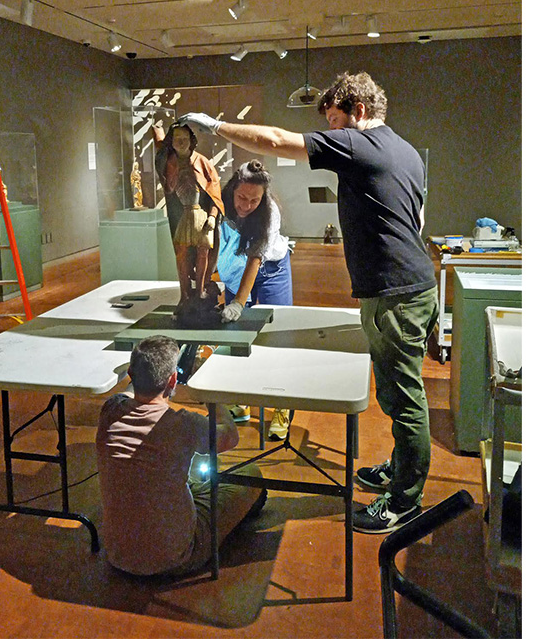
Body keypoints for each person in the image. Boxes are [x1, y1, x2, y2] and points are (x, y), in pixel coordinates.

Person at [176, 71, 438, 535]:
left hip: (395, 295)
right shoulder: (407, 151)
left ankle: (404, 499)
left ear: (357, 112)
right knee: (396, 391)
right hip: (409, 287)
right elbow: (417, 218)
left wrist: (215, 127)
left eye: (335, 121)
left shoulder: (361, 145)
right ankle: (400, 468)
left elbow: (277, 139)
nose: (332, 133)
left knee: (404, 397)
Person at [96, 335, 267, 576]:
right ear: (173, 380)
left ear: (132, 375)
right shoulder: (184, 424)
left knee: (188, 467)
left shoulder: (110, 410)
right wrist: (210, 393)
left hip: (118, 555)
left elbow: (131, 390)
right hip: (177, 558)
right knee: (250, 475)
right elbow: (230, 436)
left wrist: (144, 371)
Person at [215, 160, 295, 441]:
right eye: (242, 198)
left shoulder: (269, 212)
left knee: (277, 335)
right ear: (233, 189)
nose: (246, 205)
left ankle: (282, 407)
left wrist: (238, 301)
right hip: (238, 266)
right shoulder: (220, 201)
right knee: (236, 336)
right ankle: (242, 397)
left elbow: (256, 258)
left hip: (272, 268)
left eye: (254, 200)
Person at [153, 121, 225, 308]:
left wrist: (212, 215)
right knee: (182, 253)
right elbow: (160, 150)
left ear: (191, 141)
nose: (181, 142)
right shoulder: (169, 162)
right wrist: (157, 130)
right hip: (183, 215)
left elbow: (215, 193)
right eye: (177, 139)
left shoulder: (203, 162)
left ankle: (201, 289)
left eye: (185, 139)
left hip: (201, 216)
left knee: (203, 252)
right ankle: (184, 294)